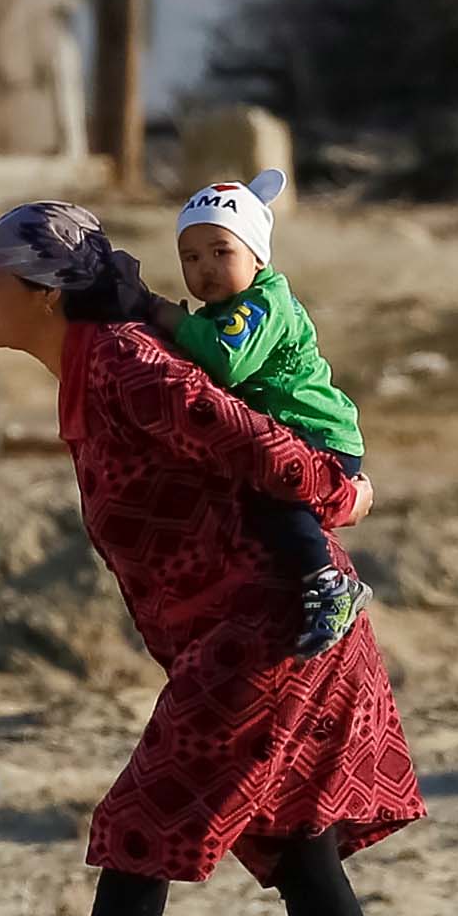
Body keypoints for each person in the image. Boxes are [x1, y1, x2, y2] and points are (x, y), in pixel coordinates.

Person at [0, 199, 420, 916]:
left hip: (272, 621)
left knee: (145, 817)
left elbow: (258, 443)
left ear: (41, 288)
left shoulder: (125, 367)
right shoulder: (92, 368)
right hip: (250, 623)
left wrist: (342, 492)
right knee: (297, 837)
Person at [156, 169, 370, 656]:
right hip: (282, 436)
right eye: (191, 257)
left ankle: (329, 586)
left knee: (275, 498)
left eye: (221, 252)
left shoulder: (263, 303)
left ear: (256, 254)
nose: (205, 268)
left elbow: (226, 361)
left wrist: (171, 319)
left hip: (317, 434)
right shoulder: (220, 312)